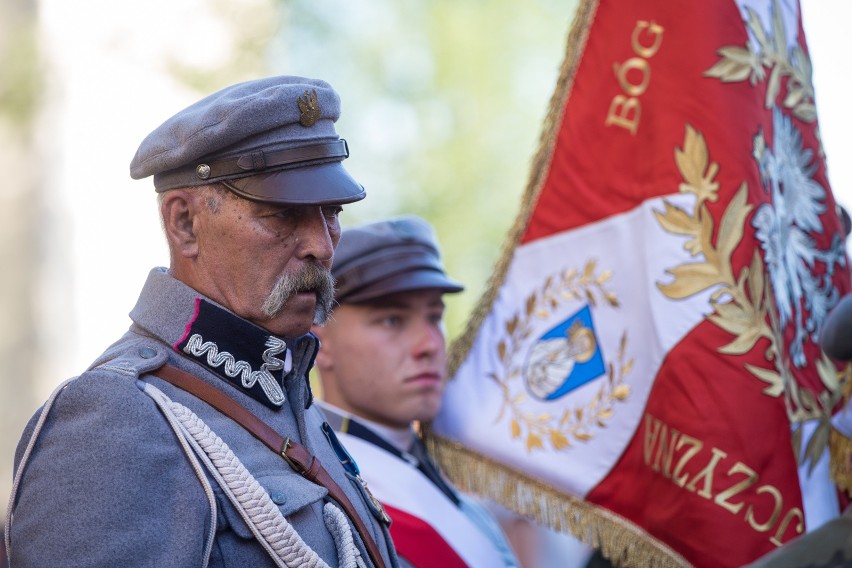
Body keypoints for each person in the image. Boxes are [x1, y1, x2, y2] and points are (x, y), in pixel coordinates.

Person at [5, 76, 398, 568]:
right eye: (282, 215)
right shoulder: (116, 417)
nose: (321, 244)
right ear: (184, 223)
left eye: (332, 212)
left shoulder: (288, 397)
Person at [311, 216, 520, 567]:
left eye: (435, 317)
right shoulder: (320, 491)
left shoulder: (428, 471)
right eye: (392, 320)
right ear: (321, 340)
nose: (429, 345)